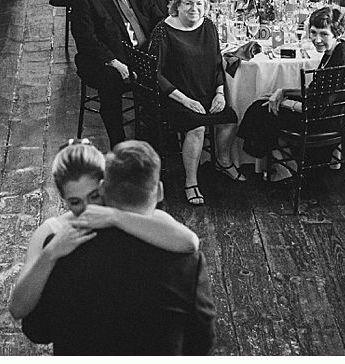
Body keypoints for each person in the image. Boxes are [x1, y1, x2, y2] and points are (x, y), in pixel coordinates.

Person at [21, 141, 216, 355]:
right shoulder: (187, 261)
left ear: (103, 189)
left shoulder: (61, 248)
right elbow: (201, 344)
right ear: (159, 191)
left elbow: (37, 330)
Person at [236, 6, 345, 182]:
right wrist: (283, 92)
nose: (317, 39)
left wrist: (285, 103)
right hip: (322, 113)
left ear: (337, 33)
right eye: (313, 32)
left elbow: (318, 107)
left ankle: (284, 167)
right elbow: (317, 92)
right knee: (265, 104)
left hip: (325, 122)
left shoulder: (342, 61)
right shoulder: (335, 51)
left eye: (324, 34)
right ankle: (281, 164)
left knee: (261, 110)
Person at [149, 0, 242, 206]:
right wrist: (185, 100)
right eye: (188, 3)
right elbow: (156, 74)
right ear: (177, 6)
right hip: (174, 96)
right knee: (197, 126)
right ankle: (191, 181)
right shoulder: (164, 29)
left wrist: (219, 93)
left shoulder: (208, 26)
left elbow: (216, 64)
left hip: (205, 92)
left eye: (199, 4)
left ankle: (223, 161)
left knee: (229, 119)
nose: (194, 8)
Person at [70, 0, 165, 146]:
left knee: (171, 68)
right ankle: (118, 143)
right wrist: (115, 63)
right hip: (103, 58)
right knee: (110, 81)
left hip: (141, 52)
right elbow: (86, 39)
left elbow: (157, 18)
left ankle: (159, 132)